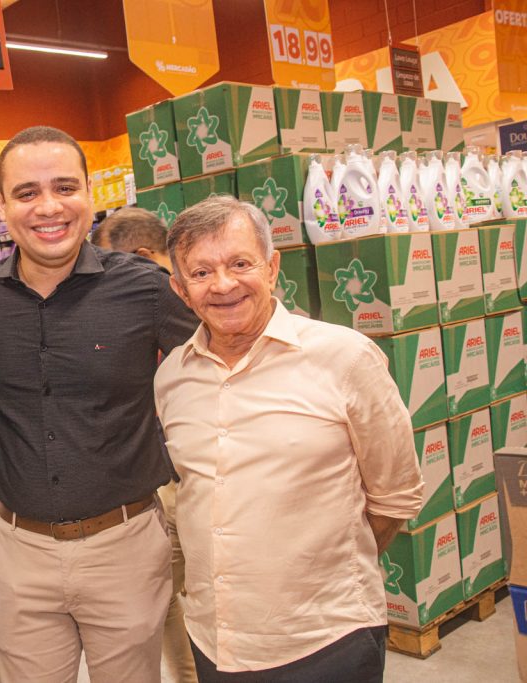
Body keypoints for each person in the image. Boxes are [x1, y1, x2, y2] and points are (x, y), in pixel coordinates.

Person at [0, 126, 198, 682]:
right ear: (2, 206)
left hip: (126, 546)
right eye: (27, 192)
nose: (49, 207)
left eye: (64, 187)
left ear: (88, 194)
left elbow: (224, 363)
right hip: (19, 551)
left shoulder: (147, 289)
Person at [155, 196, 424, 681]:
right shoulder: (172, 376)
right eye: (201, 272)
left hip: (326, 639)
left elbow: (394, 497)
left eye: (241, 264)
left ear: (272, 267)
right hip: (214, 643)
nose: (223, 285)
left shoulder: (345, 358)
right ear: (180, 289)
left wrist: (318, 573)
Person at [93, 206, 196, 683]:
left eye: (106, 263)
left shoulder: (183, 303)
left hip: (187, 483)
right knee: (164, 598)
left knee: (178, 595)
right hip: (166, 481)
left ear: (140, 256)